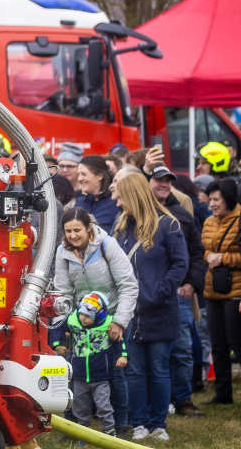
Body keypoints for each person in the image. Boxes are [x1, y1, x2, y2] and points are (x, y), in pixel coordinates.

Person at [111, 171, 188, 442]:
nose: (117, 203)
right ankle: (140, 423)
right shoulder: (120, 229)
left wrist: (160, 291)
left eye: (120, 197)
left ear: (132, 196)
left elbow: (180, 264)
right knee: (133, 370)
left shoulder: (168, 226)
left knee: (158, 368)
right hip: (131, 313)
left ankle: (158, 423)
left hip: (160, 311)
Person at [52, 206, 138, 433]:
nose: (72, 236)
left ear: (88, 228)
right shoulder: (63, 252)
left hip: (111, 318)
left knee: (115, 374)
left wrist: (119, 321)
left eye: (77, 230)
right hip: (81, 321)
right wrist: (65, 325)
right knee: (74, 371)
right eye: (68, 231)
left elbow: (128, 285)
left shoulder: (106, 245)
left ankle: (121, 425)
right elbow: (63, 292)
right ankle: (74, 426)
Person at [147, 164, 207, 416]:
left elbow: (196, 253)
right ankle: (156, 400)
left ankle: (182, 399)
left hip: (178, 294)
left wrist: (191, 283)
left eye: (167, 180)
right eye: (158, 180)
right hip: (149, 292)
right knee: (151, 350)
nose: (163, 184)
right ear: (148, 181)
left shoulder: (182, 214)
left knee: (181, 349)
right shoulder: (142, 212)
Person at [49, 291, 127, 435]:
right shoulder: (73, 320)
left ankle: (109, 431)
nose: (83, 319)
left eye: (88, 317)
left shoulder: (108, 324)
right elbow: (57, 328)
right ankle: (83, 432)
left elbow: (119, 341)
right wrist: (57, 344)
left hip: (101, 376)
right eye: (82, 314)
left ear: (98, 315)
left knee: (104, 406)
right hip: (79, 375)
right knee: (80, 406)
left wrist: (123, 356)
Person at [200, 178, 241, 405]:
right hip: (213, 290)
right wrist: (209, 257)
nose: (212, 204)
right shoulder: (208, 222)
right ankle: (223, 394)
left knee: (237, 343)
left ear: (229, 199)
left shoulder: (239, 220)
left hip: (236, 292)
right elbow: (203, 251)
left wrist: (224, 258)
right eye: (211, 199)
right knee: (218, 345)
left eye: (217, 199)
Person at [76, 155, 119, 233]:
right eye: (78, 174)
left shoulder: (115, 203)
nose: (79, 179)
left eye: (83, 174)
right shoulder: (79, 202)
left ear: (99, 176)